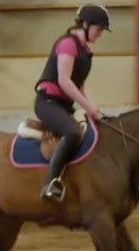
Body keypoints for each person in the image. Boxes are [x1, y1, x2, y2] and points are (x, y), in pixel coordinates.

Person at [34, 4, 110, 201]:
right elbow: (64, 81)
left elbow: (80, 82)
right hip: (48, 102)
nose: (100, 34)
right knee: (73, 132)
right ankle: (50, 183)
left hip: (65, 106)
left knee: (95, 128)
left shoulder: (86, 50)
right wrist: (87, 106)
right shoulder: (68, 44)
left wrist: (93, 108)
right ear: (86, 24)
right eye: (99, 29)